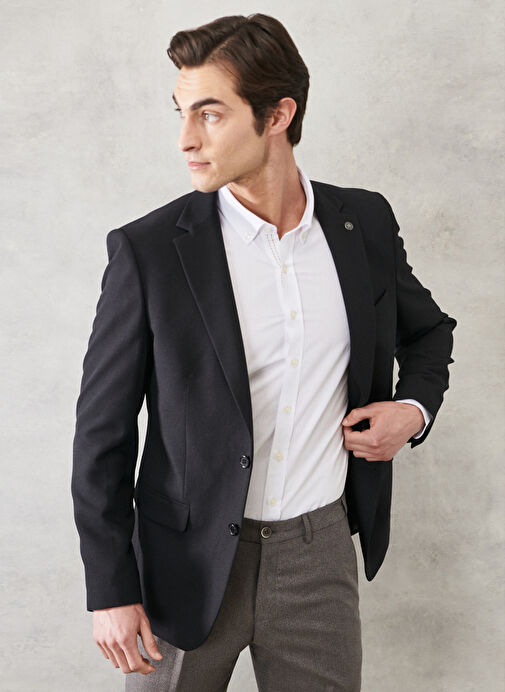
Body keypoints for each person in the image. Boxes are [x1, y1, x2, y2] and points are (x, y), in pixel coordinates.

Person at [71, 13, 457, 692]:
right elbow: (101, 436)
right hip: (186, 566)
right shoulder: (150, 252)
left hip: (319, 556)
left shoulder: (362, 224)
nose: (186, 139)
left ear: (277, 114)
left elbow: (429, 331)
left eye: (210, 114)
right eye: (181, 113)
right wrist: (111, 589)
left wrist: (413, 410)